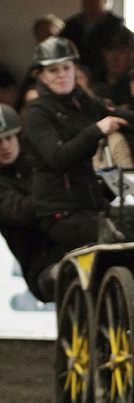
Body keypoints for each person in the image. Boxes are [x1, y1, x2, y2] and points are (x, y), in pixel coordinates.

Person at [23, 37, 134, 249]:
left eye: (66, 68)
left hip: (93, 206)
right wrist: (97, 130)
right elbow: (58, 158)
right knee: (131, 246)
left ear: (74, 70)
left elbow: (129, 118)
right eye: (53, 70)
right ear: (40, 75)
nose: (61, 75)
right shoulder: (37, 112)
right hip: (61, 213)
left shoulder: (83, 101)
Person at [0, 104, 64, 301]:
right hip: (42, 265)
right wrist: (58, 196)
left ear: (18, 136)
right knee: (69, 274)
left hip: (75, 246)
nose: (4, 146)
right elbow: (18, 211)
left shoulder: (37, 163)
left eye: (8, 138)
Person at [60, 0, 134, 80]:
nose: (91, 2)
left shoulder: (119, 30)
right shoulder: (70, 28)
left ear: (105, 0)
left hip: (109, 82)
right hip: (74, 80)